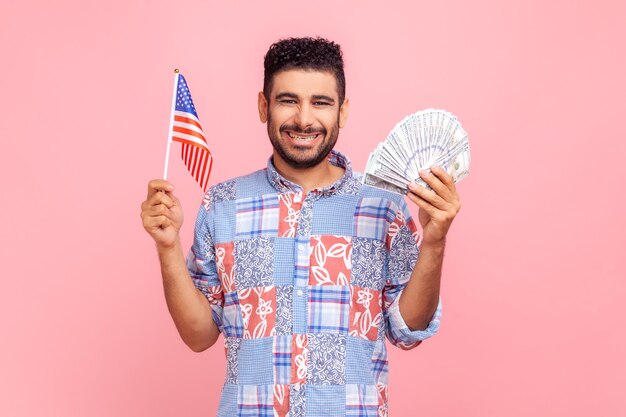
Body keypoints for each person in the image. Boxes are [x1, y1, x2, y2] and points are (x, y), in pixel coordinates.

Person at [141, 37, 460, 417]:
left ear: (342, 112)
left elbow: (409, 330)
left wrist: (435, 242)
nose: (304, 119)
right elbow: (198, 336)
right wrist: (167, 246)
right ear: (264, 106)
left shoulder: (384, 207)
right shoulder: (222, 205)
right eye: (288, 100)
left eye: (320, 102)